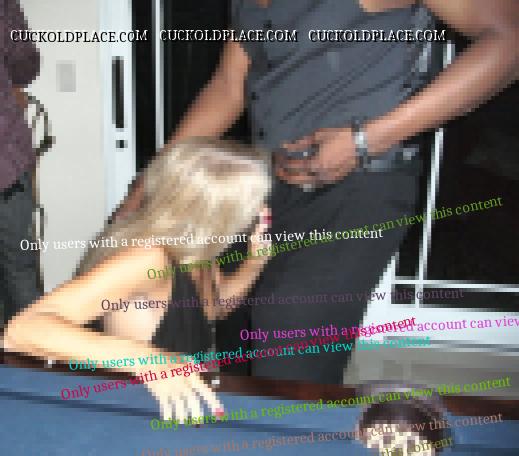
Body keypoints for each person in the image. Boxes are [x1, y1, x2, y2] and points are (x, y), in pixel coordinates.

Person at [138, 0, 517, 385]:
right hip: (266, 183)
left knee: (291, 340)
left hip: (358, 187)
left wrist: (365, 140)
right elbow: (228, 86)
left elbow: (509, 40)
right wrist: (149, 184)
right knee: (225, 318)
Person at [4, 138, 272, 421]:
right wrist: (151, 360)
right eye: (255, 201)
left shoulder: (199, 249)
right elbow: (21, 332)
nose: (262, 209)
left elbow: (215, 308)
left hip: (181, 401)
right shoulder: (147, 259)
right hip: (131, 411)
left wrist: (254, 263)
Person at [0, 0, 41, 325]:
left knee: (19, 267)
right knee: (20, 267)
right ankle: (30, 348)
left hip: (7, 161)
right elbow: (25, 64)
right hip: (6, 159)